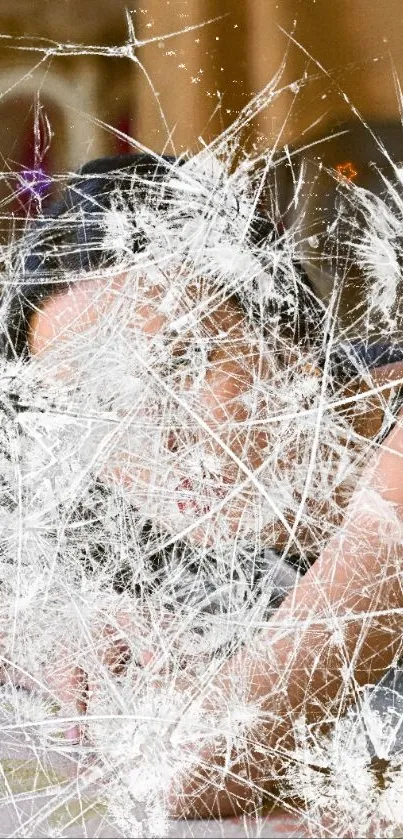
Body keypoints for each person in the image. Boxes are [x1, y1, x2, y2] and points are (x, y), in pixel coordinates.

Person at [3, 147, 403, 819]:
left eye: (183, 364)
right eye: (98, 408)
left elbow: (204, 764)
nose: (162, 439)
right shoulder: (197, 530)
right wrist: (59, 636)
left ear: (293, 334)